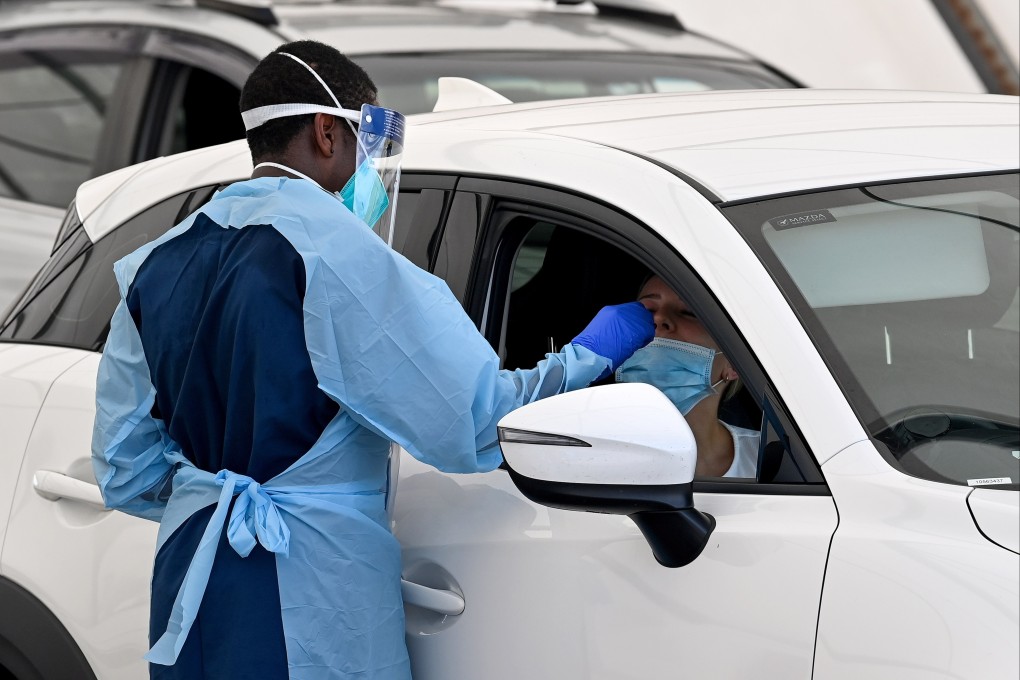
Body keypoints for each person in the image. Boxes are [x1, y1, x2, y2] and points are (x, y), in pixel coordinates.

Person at [90, 40, 653, 680]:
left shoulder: (154, 263)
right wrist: (593, 350)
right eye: (371, 142)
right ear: (328, 133)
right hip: (309, 593)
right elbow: (473, 422)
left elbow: (126, 471)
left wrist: (211, 494)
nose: (375, 167)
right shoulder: (339, 256)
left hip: (188, 585)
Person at [616, 275, 759, 478]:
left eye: (689, 312)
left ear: (733, 363)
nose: (657, 319)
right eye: (647, 310)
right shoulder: (593, 456)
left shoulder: (775, 460)